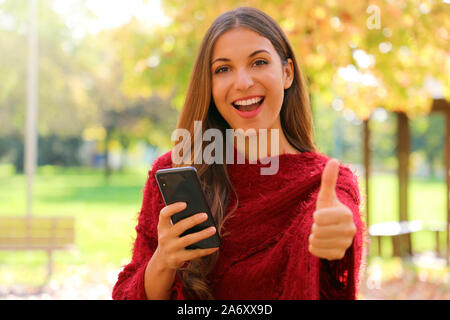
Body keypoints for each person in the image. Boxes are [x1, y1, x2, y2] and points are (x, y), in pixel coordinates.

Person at [112, 6, 365, 300]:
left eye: (258, 62)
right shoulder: (176, 172)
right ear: (210, 85)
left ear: (287, 73)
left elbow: (340, 252)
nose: (242, 82)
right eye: (223, 69)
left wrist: (340, 241)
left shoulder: (329, 185)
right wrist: (163, 261)